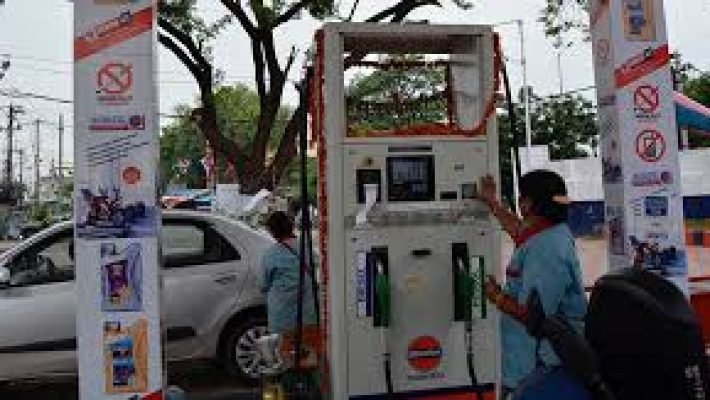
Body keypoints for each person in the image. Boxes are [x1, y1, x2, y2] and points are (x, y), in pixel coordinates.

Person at [477, 170, 587, 399]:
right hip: (526, 364)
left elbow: (536, 317)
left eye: (521, 199)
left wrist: (496, 297)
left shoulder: (547, 248)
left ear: (526, 204)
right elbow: (518, 230)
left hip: (540, 368)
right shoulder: (547, 232)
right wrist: (492, 203)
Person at [261, 211, 318, 335]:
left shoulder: (270, 254)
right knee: (309, 345)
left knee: (286, 346)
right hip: (309, 316)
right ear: (291, 227)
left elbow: (263, 285)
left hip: (282, 318)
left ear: (272, 232)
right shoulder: (308, 249)